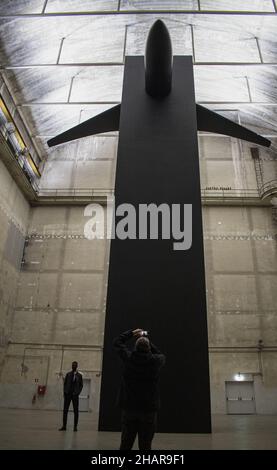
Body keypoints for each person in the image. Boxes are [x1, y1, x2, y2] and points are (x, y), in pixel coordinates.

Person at [113, 328, 165, 451]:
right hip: (148, 411)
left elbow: (117, 342)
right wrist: (147, 341)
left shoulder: (129, 358)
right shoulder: (155, 361)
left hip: (130, 410)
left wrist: (131, 333)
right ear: (148, 348)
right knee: (146, 446)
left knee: (125, 445)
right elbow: (160, 354)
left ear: (135, 348)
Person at [59, 361, 83, 432]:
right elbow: (65, 383)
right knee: (65, 411)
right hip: (68, 394)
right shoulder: (68, 374)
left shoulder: (79, 375)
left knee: (76, 411)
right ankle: (64, 426)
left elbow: (81, 385)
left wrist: (77, 393)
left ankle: (75, 427)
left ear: (77, 366)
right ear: (71, 366)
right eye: (73, 365)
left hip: (75, 395)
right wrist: (65, 392)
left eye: (75, 365)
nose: (74, 366)